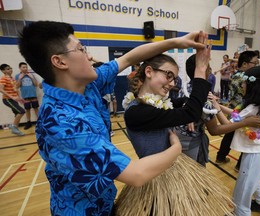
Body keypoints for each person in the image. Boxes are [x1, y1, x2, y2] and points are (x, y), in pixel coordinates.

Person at [18, 20, 210, 215]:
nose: (90, 56)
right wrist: (176, 148)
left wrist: (176, 42)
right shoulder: (63, 124)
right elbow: (136, 174)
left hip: (105, 201)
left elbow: (128, 58)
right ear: (60, 62)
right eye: (81, 49)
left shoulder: (86, 85)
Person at [116, 51, 234, 214]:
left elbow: (183, 102)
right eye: (168, 75)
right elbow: (189, 112)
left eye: (174, 79)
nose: (172, 83)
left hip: (174, 170)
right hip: (156, 178)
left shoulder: (154, 104)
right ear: (149, 72)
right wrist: (200, 70)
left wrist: (200, 104)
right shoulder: (138, 112)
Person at [176, 54, 260, 166]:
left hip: (178, 140)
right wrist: (245, 122)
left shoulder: (185, 88)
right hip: (191, 145)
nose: (211, 70)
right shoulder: (205, 99)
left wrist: (217, 106)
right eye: (208, 67)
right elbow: (214, 130)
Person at [228, 66, 260, 215]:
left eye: (245, 83)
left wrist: (213, 110)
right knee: (253, 182)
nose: (242, 85)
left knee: (241, 197)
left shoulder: (252, 108)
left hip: (254, 157)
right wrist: (218, 105)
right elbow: (239, 115)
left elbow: (230, 123)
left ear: (255, 86)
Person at [0, 64, 25, 136]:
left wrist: (19, 97)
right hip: (7, 99)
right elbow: (1, 89)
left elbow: (15, 88)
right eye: (8, 69)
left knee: (17, 114)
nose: (10, 70)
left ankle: (15, 128)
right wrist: (12, 97)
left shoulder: (12, 78)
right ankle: (14, 127)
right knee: (21, 111)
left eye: (10, 68)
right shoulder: (3, 79)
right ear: (3, 71)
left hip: (14, 99)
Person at [15, 62, 39, 130]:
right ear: (20, 68)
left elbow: (36, 84)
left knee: (36, 108)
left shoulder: (31, 75)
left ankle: (39, 121)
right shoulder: (17, 76)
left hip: (33, 95)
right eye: (23, 67)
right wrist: (20, 78)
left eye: (26, 67)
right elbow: (17, 86)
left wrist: (31, 77)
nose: (25, 68)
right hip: (25, 96)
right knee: (27, 109)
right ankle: (29, 122)